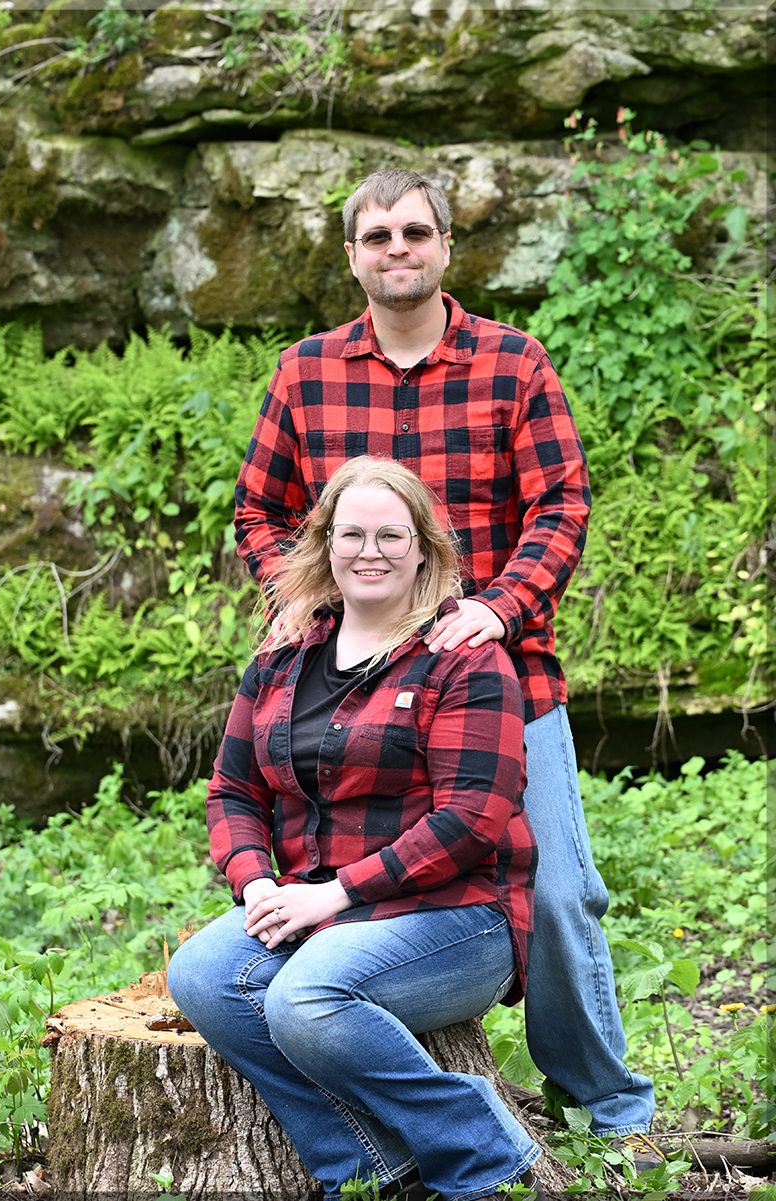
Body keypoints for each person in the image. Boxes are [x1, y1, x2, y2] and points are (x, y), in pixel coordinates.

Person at [233, 168, 657, 1152]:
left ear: (444, 246)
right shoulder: (305, 373)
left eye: (415, 231)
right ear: (352, 256)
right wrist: (298, 595)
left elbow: (561, 505)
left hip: (495, 678)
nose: (398, 249)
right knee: (345, 873)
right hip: (352, 690)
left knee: (556, 891)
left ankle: (608, 1110)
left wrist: (498, 609)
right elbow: (258, 507)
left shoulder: (512, 363)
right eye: (378, 235)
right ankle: (363, 1059)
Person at [168, 456, 546, 1200]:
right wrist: (256, 883)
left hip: (459, 916)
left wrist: (336, 893)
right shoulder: (284, 655)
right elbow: (233, 789)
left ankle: (484, 1159)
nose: (370, 552)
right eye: (351, 534)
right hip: (320, 902)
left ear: (424, 550)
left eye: (391, 536)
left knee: (305, 998)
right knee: (204, 975)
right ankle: (371, 1170)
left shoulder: (464, 660)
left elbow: (471, 820)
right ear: (326, 545)